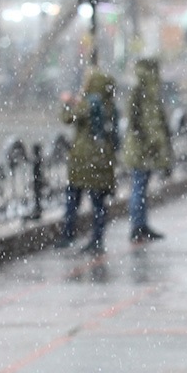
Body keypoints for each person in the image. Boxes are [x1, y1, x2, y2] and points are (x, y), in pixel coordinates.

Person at [55, 66, 119, 255]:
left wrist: (67, 103)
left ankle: (68, 234)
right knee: (99, 202)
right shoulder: (110, 105)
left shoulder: (90, 103)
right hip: (102, 158)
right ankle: (97, 239)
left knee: (73, 198)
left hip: (83, 160)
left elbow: (67, 118)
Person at [122, 57, 173, 243]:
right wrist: (146, 142)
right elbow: (135, 121)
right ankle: (137, 226)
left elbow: (156, 121)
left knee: (141, 187)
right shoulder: (141, 91)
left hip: (148, 149)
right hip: (141, 149)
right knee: (138, 186)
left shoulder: (150, 92)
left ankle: (141, 225)